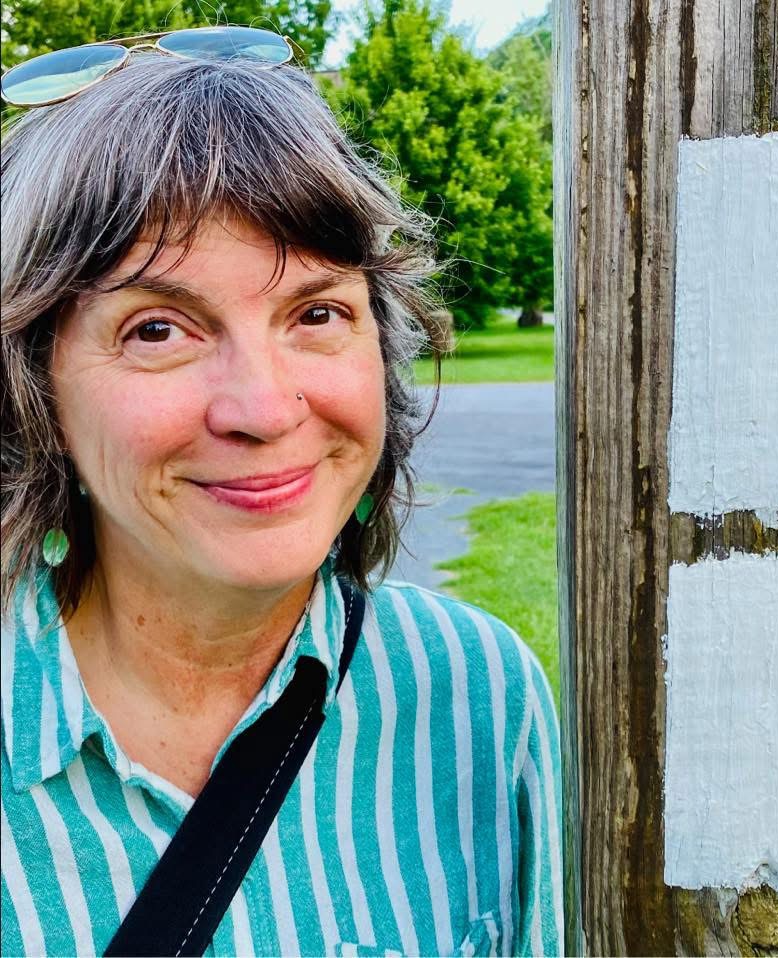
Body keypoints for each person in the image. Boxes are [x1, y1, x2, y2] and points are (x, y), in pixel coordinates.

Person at [0, 28, 562, 957]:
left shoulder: (478, 694)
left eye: (317, 313)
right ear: (35, 389)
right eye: (157, 330)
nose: (263, 407)